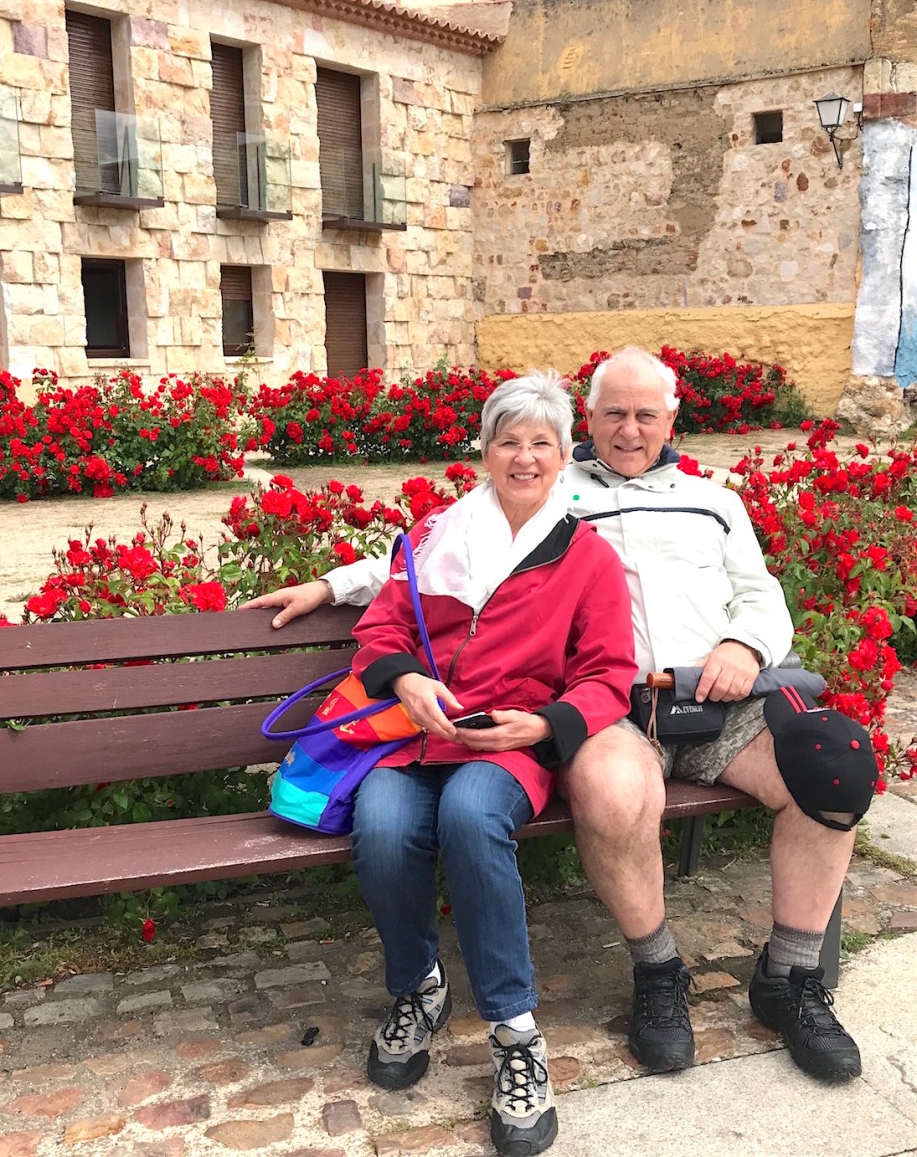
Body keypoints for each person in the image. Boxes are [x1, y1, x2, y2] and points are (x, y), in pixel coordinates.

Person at [245, 345, 867, 1083]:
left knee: (834, 767)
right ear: (587, 422)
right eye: (614, 413)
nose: (630, 429)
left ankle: (791, 978)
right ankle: (658, 970)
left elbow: (760, 592)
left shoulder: (715, 501)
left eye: (646, 414)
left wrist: (744, 644)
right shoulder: (548, 485)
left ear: (671, 418)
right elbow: (428, 558)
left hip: (721, 697)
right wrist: (327, 585)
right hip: (616, 710)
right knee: (608, 790)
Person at [340, 372, 637, 1157]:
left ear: (565, 454)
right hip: (414, 735)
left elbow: (609, 674)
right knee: (380, 823)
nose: (525, 457)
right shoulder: (437, 535)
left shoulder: (586, 556)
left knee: (472, 817)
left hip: (509, 745)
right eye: (509, 440)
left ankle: (515, 1034)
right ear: (485, 450)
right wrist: (406, 679)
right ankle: (420, 988)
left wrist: (542, 724)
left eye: (542, 442)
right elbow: (382, 628)